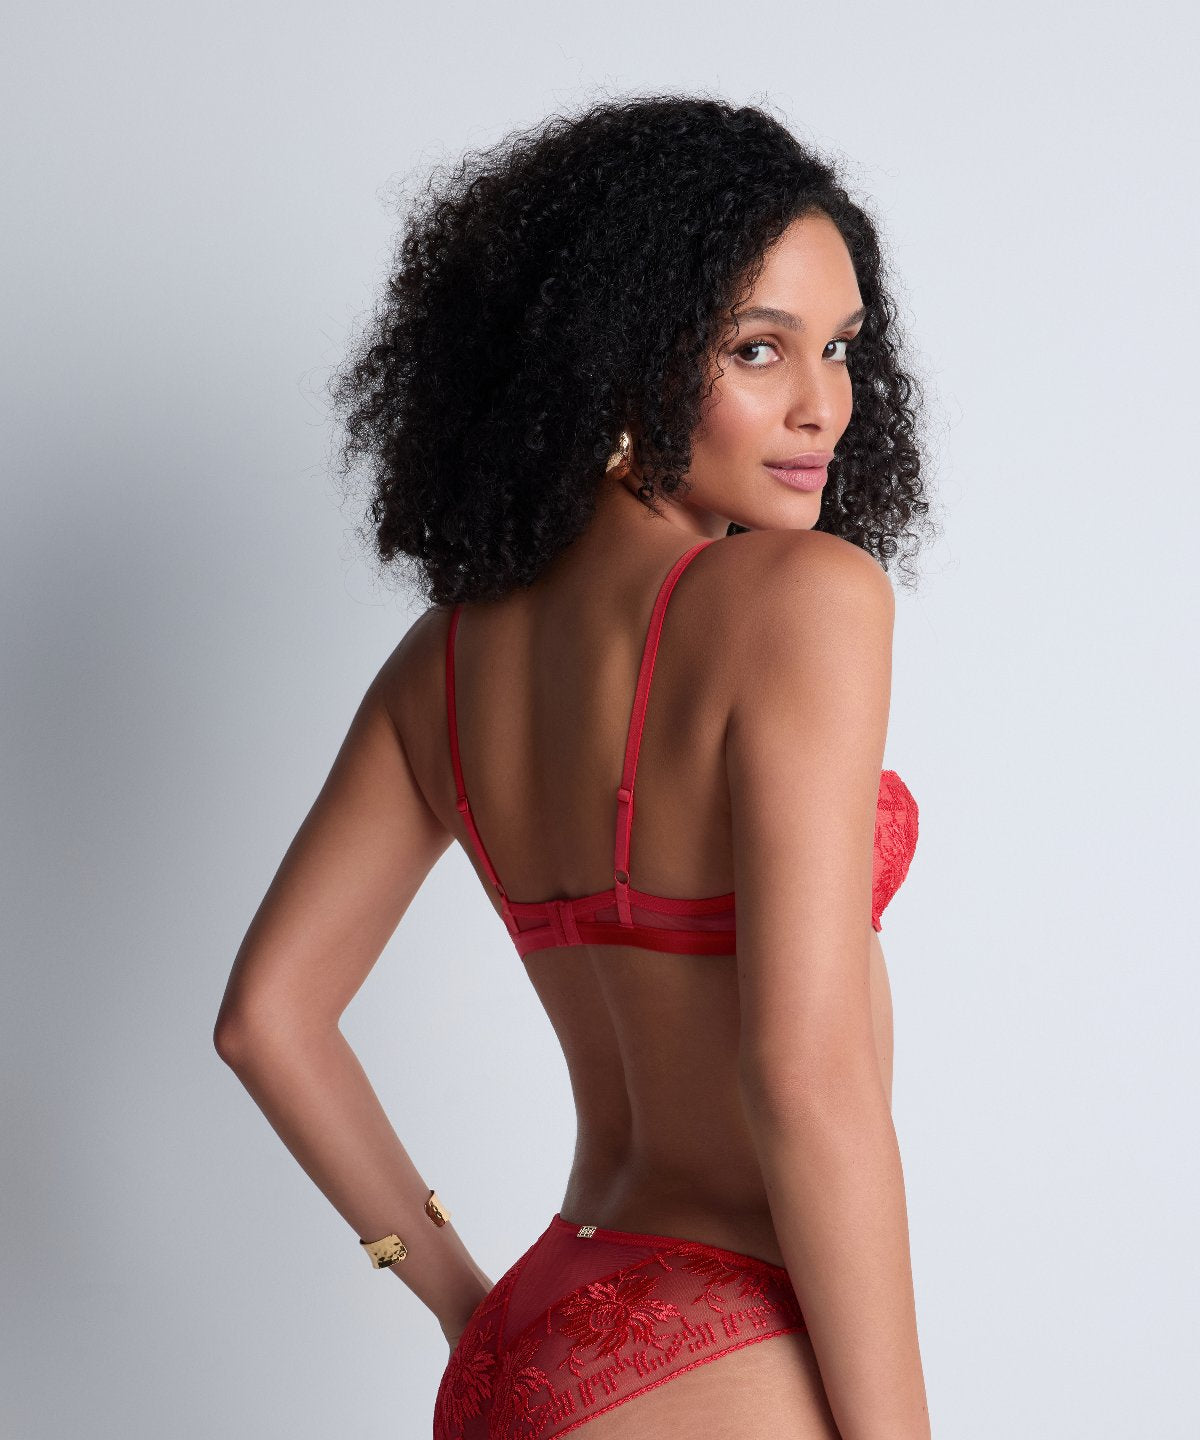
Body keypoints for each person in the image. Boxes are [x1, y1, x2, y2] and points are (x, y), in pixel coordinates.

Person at [214, 93, 935, 1439]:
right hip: (724, 1339)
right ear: (615, 358)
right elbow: (805, 1083)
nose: (822, 405)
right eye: (758, 349)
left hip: (534, 1335)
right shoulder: (804, 601)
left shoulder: (442, 663)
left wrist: (464, 1307)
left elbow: (267, 1019)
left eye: (840, 347)